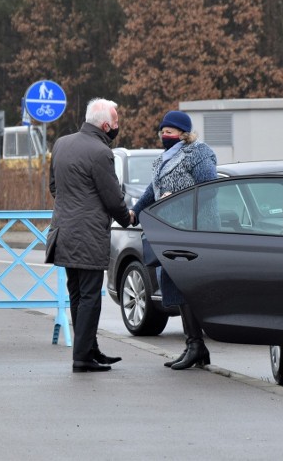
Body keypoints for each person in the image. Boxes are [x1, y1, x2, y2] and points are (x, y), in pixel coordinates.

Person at [47, 98, 132, 372]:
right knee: (90, 297)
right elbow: (112, 198)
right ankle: (82, 357)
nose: (117, 127)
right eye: (116, 123)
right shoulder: (100, 152)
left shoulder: (61, 143)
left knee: (77, 295)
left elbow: (54, 187)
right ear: (106, 125)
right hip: (89, 235)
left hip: (63, 231)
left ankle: (89, 350)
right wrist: (127, 218)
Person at [130, 110, 217, 370]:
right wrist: (134, 212)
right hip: (171, 233)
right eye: (162, 131)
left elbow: (209, 189)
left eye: (170, 131)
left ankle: (196, 346)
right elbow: (152, 191)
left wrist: (176, 196)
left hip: (194, 232)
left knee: (185, 286)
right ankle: (194, 346)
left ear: (184, 133)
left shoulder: (198, 153)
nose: (165, 135)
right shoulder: (163, 160)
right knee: (174, 284)